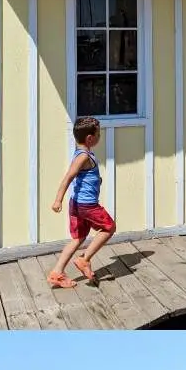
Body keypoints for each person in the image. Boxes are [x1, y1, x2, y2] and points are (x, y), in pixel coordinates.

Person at [48, 116, 116, 289]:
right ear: (90, 138)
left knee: (78, 238)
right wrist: (57, 200)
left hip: (77, 204)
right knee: (109, 227)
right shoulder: (83, 156)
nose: (100, 137)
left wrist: (95, 181)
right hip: (87, 206)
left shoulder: (80, 153)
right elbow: (68, 177)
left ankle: (57, 273)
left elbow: (82, 176)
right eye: (98, 134)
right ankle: (84, 260)